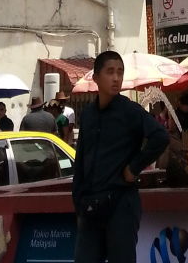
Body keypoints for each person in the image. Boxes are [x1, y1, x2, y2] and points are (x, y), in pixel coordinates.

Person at [71, 49, 169, 263]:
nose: (116, 78)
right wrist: (78, 199)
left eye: (120, 72)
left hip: (121, 205)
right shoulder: (88, 114)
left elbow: (160, 137)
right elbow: (81, 160)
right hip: (90, 206)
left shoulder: (130, 111)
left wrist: (134, 168)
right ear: (96, 77)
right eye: (110, 72)